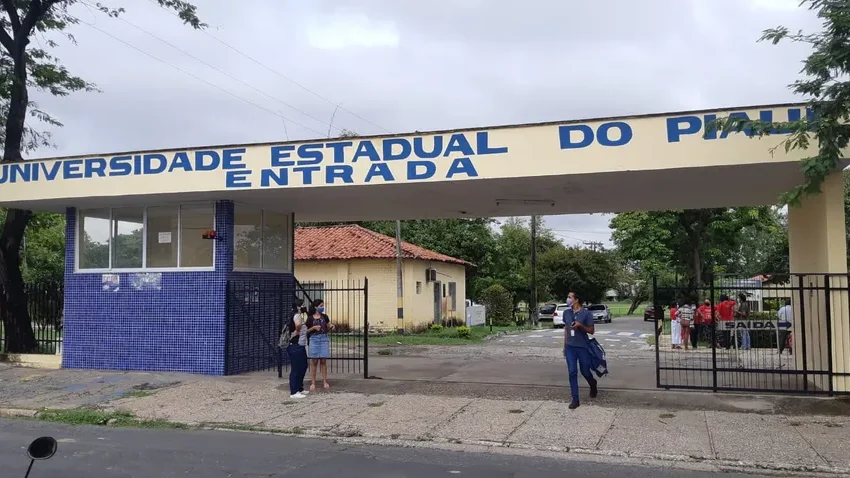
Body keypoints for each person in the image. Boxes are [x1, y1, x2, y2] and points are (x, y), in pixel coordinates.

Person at [563, 291, 598, 410]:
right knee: (572, 372)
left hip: (582, 346)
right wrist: (564, 346)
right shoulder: (566, 313)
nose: (568, 299)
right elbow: (566, 329)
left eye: (569, 297)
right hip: (570, 347)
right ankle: (575, 399)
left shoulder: (586, 314)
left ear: (576, 299)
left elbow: (591, 331)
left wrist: (580, 325)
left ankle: (592, 383)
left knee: (585, 371)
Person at [306, 299, 334, 391]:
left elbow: (328, 326)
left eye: (323, 305)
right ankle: (313, 382)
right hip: (314, 339)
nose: (322, 307)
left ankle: (325, 381)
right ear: (316, 307)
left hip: (324, 339)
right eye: (321, 306)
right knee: (314, 361)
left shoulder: (325, 317)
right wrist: (313, 328)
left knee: (323, 361)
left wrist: (331, 326)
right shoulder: (310, 318)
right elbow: (305, 331)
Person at [284, 304, 309, 399]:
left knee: (303, 366)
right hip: (295, 345)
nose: (304, 307)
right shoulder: (297, 316)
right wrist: (298, 330)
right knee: (296, 368)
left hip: (300, 345)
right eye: (302, 305)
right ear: (298, 307)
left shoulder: (299, 316)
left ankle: (299, 388)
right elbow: (298, 325)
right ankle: (294, 391)